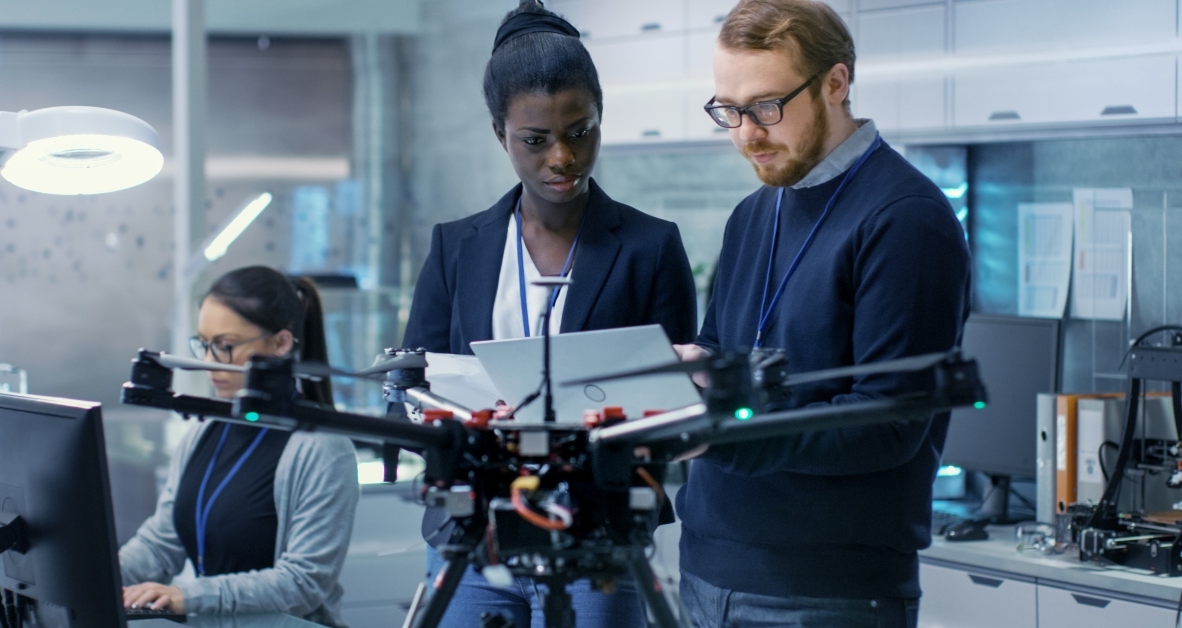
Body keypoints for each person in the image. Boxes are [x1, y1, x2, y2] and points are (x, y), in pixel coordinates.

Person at [671, 1, 971, 626]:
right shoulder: (754, 211)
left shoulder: (905, 219)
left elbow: (886, 423)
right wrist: (697, 368)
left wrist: (721, 435)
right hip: (705, 570)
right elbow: (723, 348)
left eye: (766, 107)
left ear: (836, 83)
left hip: (825, 592)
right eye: (728, 110)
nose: (746, 132)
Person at [403, 2, 697, 626]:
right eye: (535, 141)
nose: (561, 157)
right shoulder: (457, 248)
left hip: (600, 542)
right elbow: (412, 387)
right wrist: (462, 414)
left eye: (580, 131)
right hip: (474, 539)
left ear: (599, 119)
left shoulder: (651, 247)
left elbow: (678, 408)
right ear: (499, 134)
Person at [119, 266, 360, 627]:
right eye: (204, 344)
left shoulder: (322, 448)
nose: (208, 363)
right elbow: (159, 544)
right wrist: (100, 575)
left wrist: (189, 595)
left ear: (281, 344)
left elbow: (304, 583)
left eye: (225, 346)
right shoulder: (204, 432)